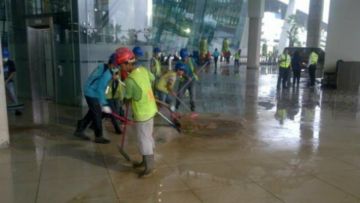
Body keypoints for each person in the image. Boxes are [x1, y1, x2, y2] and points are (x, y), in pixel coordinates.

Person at [119, 47, 158, 178]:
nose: (120, 68)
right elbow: (152, 78)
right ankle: (145, 161)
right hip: (151, 109)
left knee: (143, 139)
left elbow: (129, 96)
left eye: (121, 65)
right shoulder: (143, 70)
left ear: (127, 63)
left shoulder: (130, 81)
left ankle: (149, 167)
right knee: (148, 136)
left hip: (142, 114)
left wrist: (125, 101)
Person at [74, 53, 121, 144]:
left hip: (91, 90)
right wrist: (104, 104)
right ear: (111, 63)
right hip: (91, 92)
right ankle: (98, 136)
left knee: (92, 112)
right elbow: (100, 89)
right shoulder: (107, 73)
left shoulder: (103, 67)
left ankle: (80, 129)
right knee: (97, 113)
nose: (116, 67)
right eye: (115, 65)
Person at [2, 48, 22, 115]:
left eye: (6, 56)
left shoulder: (10, 62)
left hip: (9, 82)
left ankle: (18, 110)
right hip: (2, 82)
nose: (5, 58)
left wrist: (7, 81)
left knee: (12, 95)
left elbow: (13, 72)